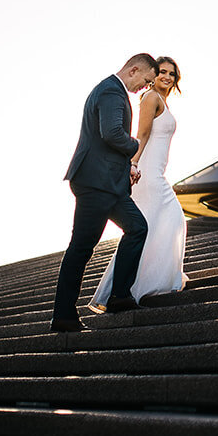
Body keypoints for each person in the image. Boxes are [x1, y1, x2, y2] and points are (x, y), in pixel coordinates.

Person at [51, 53, 159, 333]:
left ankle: (120, 296)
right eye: (146, 81)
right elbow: (111, 133)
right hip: (95, 184)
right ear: (134, 70)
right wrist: (135, 146)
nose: (144, 88)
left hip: (110, 184)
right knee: (82, 248)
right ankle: (63, 316)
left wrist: (127, 169)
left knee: (137, 228)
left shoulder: (110, 90)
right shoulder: (112, 91)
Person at [90, 56, 188, 309]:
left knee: (155, 225)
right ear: (153, 75)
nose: (167, 77)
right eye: (162, 72)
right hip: (148, 173)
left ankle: (145, 284)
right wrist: (133, 164)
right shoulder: (151, 98)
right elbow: (141, 134)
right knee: (168, 219)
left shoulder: (162, 101)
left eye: (172, 74)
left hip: (156, 171)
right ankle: (134, 287)